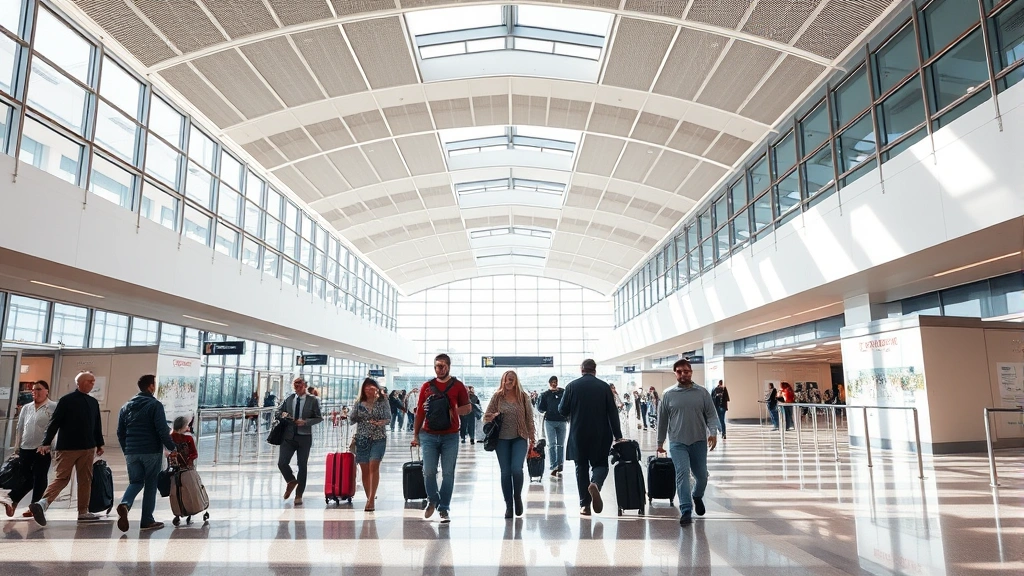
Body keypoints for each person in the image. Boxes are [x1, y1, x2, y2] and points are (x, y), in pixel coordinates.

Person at [29, 372, 105, 526]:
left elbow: (96, 424)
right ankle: (42, 504)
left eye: (93, 382)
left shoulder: (93, 402)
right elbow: (54, 423)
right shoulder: (66, 401)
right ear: (80, 383)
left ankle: (83, 512)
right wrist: (46, 442)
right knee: (62, 478)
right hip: (66, 449)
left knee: (85, 479)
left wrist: (99, 443)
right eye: (90, 381)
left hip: (88, 448)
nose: (92, 384)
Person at [657, 359, 719, 527]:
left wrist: (713, 432)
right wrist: (660, 442)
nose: (683, 374)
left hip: (698, 441)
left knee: (702, 476)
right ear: (675, 373)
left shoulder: (702, 393)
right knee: (682, 474)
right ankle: (686, 510)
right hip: (677, 442)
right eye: (679, 371)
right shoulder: (668, 394)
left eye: (686, 371)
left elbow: (712, 415)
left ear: (691, 372)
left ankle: (697, 495)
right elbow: (662, 421)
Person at [411, 353, 471, 524]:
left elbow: (468, 408)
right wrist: (415, 435)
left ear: (449, 367)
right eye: (438, 366)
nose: (440, 369)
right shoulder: (427, 386)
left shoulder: (458, 386)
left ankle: (444, 508)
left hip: (450, 436)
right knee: (428, 470)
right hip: (429, 435)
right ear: (434, 367)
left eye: (443, 365)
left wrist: (453, 411)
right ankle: (433, 499)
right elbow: (420, 412)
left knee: (448, 473)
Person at [558, 359, 623, 516]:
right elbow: (613, 413)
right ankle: (595, 484)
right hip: (601, 433)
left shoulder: (572, 386)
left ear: (581, 369)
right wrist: (618, 436)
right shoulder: (604, 387)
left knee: (581, 468)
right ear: (595, 370)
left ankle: (585, 506)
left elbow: (562, 410)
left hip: (578, 433)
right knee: (601, 464)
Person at [115, 374, 179, 532]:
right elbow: (162, 430)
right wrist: (172, 447)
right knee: (150, 484)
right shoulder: (155, 405)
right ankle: (147, 520)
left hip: (132, 452)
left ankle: (125, 503)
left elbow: (120, 432)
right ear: (151, 386)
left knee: (136, 482)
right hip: (150, 451)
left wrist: (127, 449)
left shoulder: (126, 406)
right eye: (154, 384)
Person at [483, 371, 536, 519]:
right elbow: (486, 416)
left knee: (516, 469)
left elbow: (529, 418)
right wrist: (492, 416)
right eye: (507, 380)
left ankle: (517, 497)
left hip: (520, 437)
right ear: (503, 381)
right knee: (505, 472)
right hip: (501, 439)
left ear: (516, 381)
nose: (509, 382)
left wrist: (532, 438)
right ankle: (509, 505)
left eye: (512, 380)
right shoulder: (497, 396)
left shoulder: (523, 396)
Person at [2, 381, 57, 518]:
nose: (35, 392)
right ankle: (12, 499)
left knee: (39, 477)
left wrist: (52, 446)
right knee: (26, 477)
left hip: (43, 448)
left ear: (46, 391)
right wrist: (17, 447)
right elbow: (20, 427)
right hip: (25, 447)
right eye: (33, 390)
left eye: (38, 389)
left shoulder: (53, 407)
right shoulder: (26, 408)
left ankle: (34, 506)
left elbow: (56, 429)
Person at [275, 377, 323, 506]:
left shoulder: (312, 400)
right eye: (295, 384)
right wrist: (283, 415)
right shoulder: (290, 399)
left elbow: (319, 417)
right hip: (288, 436)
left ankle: (299, 494)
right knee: (282, 463)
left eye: (300, 384)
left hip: (304, 437)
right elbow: (278, 412)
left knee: (302, 465)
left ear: (305, 386)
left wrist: (306, 422)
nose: (298, 386)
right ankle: (291, 480)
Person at [349, 378, 391, 512]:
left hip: (379, 437)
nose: (369, 390)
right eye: (366, 388)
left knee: (374, 465)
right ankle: (369, 497)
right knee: (365, 470)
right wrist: (353, 414)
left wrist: (381, 422)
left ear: (376, 389)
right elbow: (352, 419)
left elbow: (389, 418)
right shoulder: (359, 403)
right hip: (362, 439)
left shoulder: (383, 401)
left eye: (371, 388)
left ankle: (372, 499)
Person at [535, 376, 567, 477]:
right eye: (552, 382)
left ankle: (560, 464)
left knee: (560, 444)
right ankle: (554, 465)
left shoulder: (563, 392)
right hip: (550, 421)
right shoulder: (545, 394)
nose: (554, 383)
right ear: (549, 383)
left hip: (561, 421)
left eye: (555, 382)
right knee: (552, 444)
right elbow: (541, 408)